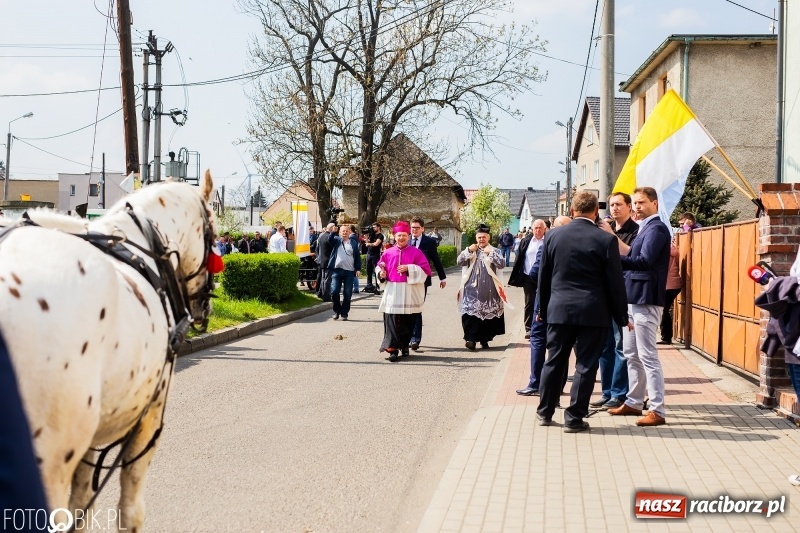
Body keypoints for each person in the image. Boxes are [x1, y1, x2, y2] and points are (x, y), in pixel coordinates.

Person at [536, 191, 628, 433]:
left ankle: (545, 412)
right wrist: (621, 316)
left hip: (558, 310)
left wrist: (542, 309)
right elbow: (615, 283)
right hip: (593, 312)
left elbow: (543, 276)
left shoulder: (552, 236)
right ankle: (574, 417)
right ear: (596, 212)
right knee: (586, 365)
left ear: (572, 210)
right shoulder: (605, 240)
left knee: (554, 361)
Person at [607, 187, 671, 427]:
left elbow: (644, 261)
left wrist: (613, 261)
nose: (637, 207)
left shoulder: (657, 228)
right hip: (633, 298)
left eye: (641, 202)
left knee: (647, 356)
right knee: (631, 354)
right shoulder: (645, 228)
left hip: (646, 298)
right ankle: (634, 401)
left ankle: (657, 409)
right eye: (634, 203)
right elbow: (633, 253)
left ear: (655, 204)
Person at [590, 192, 639, 410]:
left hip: (624, 293)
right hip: (603, 293)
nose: (615, 208)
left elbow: (632, 256)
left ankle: (619, 393)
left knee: (621, 345)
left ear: (629, 207)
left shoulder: (636, 231)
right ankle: (607, 391)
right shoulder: (605, 228)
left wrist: (611, 236)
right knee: (605, 345)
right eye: (612, 205)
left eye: (619, 204)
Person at [516, 215, 571, 396]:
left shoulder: (547, 244)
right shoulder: (580, 245)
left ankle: (536, 383)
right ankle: (557, 385)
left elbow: (535, 273)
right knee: (561, 344)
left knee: (538, 339)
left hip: (546, 301)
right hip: (568, 303)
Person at [377, 221, 432, 362]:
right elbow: (380, 266)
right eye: (398, 235)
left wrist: (409, 269)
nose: (401, 238)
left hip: (409, 291)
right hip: (393, 290)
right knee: (391, 319)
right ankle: (392, 349)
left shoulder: (416, 252)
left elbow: (426, 271)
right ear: (394, 236)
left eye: (404, 235)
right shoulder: (388, 252)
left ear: (408, 236)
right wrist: (381, 274)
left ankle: (404, 345)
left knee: (408, 321)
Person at [457, 224, 508, 350]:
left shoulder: (495, 251)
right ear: (476, 238)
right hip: (471, 289)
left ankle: (484, 340)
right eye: (479, 237)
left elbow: (502, 264)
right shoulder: (471, 250)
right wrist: (468, 251)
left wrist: (491, 253)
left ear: (488, 238)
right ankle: (470, 340)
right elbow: (459, 262)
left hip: (489, 290)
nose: (481, 239)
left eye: (484, 237)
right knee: (470, 315)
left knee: (487, 317)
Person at [408, 217, 447, 351]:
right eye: (412, 227)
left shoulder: (429, 242)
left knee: (417, 308)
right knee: (406, 309)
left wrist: (442, 278)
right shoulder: (406, 240)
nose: (414, 230)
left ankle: (415, 338)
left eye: (417, 228)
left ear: (422, 229)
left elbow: (436, 260)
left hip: (422, 280)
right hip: (405, 280)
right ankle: (406, 336)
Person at [508, 219, 546, 339]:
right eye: (536, 228)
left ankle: (542, 326)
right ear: (532, 229)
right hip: (528, 276)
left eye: (540, 228)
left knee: (543, 301)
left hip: (543, 277)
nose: (538, 230)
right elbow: (520, 257)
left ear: (544, 229)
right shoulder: (526, 241)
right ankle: (529, 328)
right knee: (530, 302)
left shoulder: (548, 241)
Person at [327, 224, 361, 321]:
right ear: (340, 232)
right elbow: (330, 240)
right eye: (343, 231)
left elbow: (357, 256)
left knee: (347, 293)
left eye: (346, 231)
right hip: (337, 270)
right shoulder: (337, 240)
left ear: (349, 232)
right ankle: (336, 310)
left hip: (349, 271)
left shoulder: (353, 243)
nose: (345, 233)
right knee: (334, 291)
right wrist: (333, 232)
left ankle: (344, 313)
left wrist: (358, 269)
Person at [659, 236, 682, 345]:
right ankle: (666, 336)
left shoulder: (664, 251)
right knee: (664, 310)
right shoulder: (671, 250)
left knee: (663, 310)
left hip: (669, 285)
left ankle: (666, 337)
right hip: (674, 284)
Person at [315, 223, 336, 302]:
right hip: (328, 260)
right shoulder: (329, 237)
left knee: (323, 279)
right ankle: (326, 296)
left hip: (322, 260)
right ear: (332, 228)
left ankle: (320, 293)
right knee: (327, 280)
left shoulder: (321, 236)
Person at [363, 222, 385, 293]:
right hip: (369, 253)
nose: (373, 228)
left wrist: (369, 244)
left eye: (374, 227)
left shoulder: (380, 235)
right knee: (368, 271)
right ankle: (369, 286)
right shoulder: (372, 235)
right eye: (372, 227)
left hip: (376, 255)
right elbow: (367, 243)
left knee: (376, 271)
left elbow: (376, 244)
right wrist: (366, 237)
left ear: (378, 227)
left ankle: (377, 286)